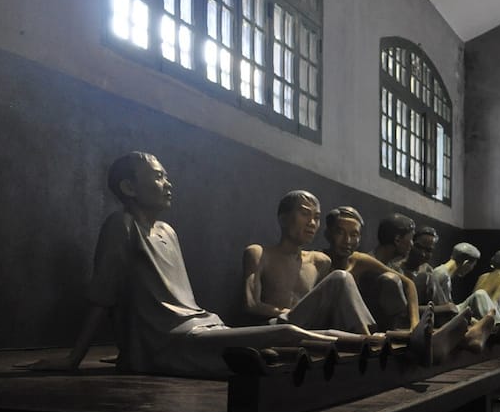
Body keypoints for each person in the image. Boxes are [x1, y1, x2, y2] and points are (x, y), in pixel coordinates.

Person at [21, 153, 334, 378]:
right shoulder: (121, 225)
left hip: (202, 325)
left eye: (166, 176)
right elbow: (105, 295)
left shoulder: (168, 231)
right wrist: (75, 358)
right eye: (158, 177)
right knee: (286, 332)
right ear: (129, 188)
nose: (168, 184)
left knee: (271, 347)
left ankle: (363, 345)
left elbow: (175, 300)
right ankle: (362, 350)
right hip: (172, 340)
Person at [242, 191, 376, 335]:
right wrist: (291, 313)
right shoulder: (260, 254)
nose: (312, 223)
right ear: (283, 219)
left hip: (308, 329)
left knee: (341, 287)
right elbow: (251, 305)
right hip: (276, 327)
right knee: (340, 278)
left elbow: (322, 308)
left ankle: (365, 337)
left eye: (316, 218)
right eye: (305, 214)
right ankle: (366, 336)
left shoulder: (319, 262)